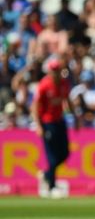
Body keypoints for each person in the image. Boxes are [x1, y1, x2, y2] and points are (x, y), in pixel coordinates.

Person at [31, 58, 78, 199]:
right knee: (52, 156)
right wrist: (38, 125)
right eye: (53, 71)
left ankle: (46, 174)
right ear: (50, 71)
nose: (56, 73)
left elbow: (67, 100)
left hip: (59, 121)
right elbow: (35, 106)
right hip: (47, 122)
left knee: (65, 153)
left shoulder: (64, 83)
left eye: (57, 70)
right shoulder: (44, 85)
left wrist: (75, 117)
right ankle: (51, 186)